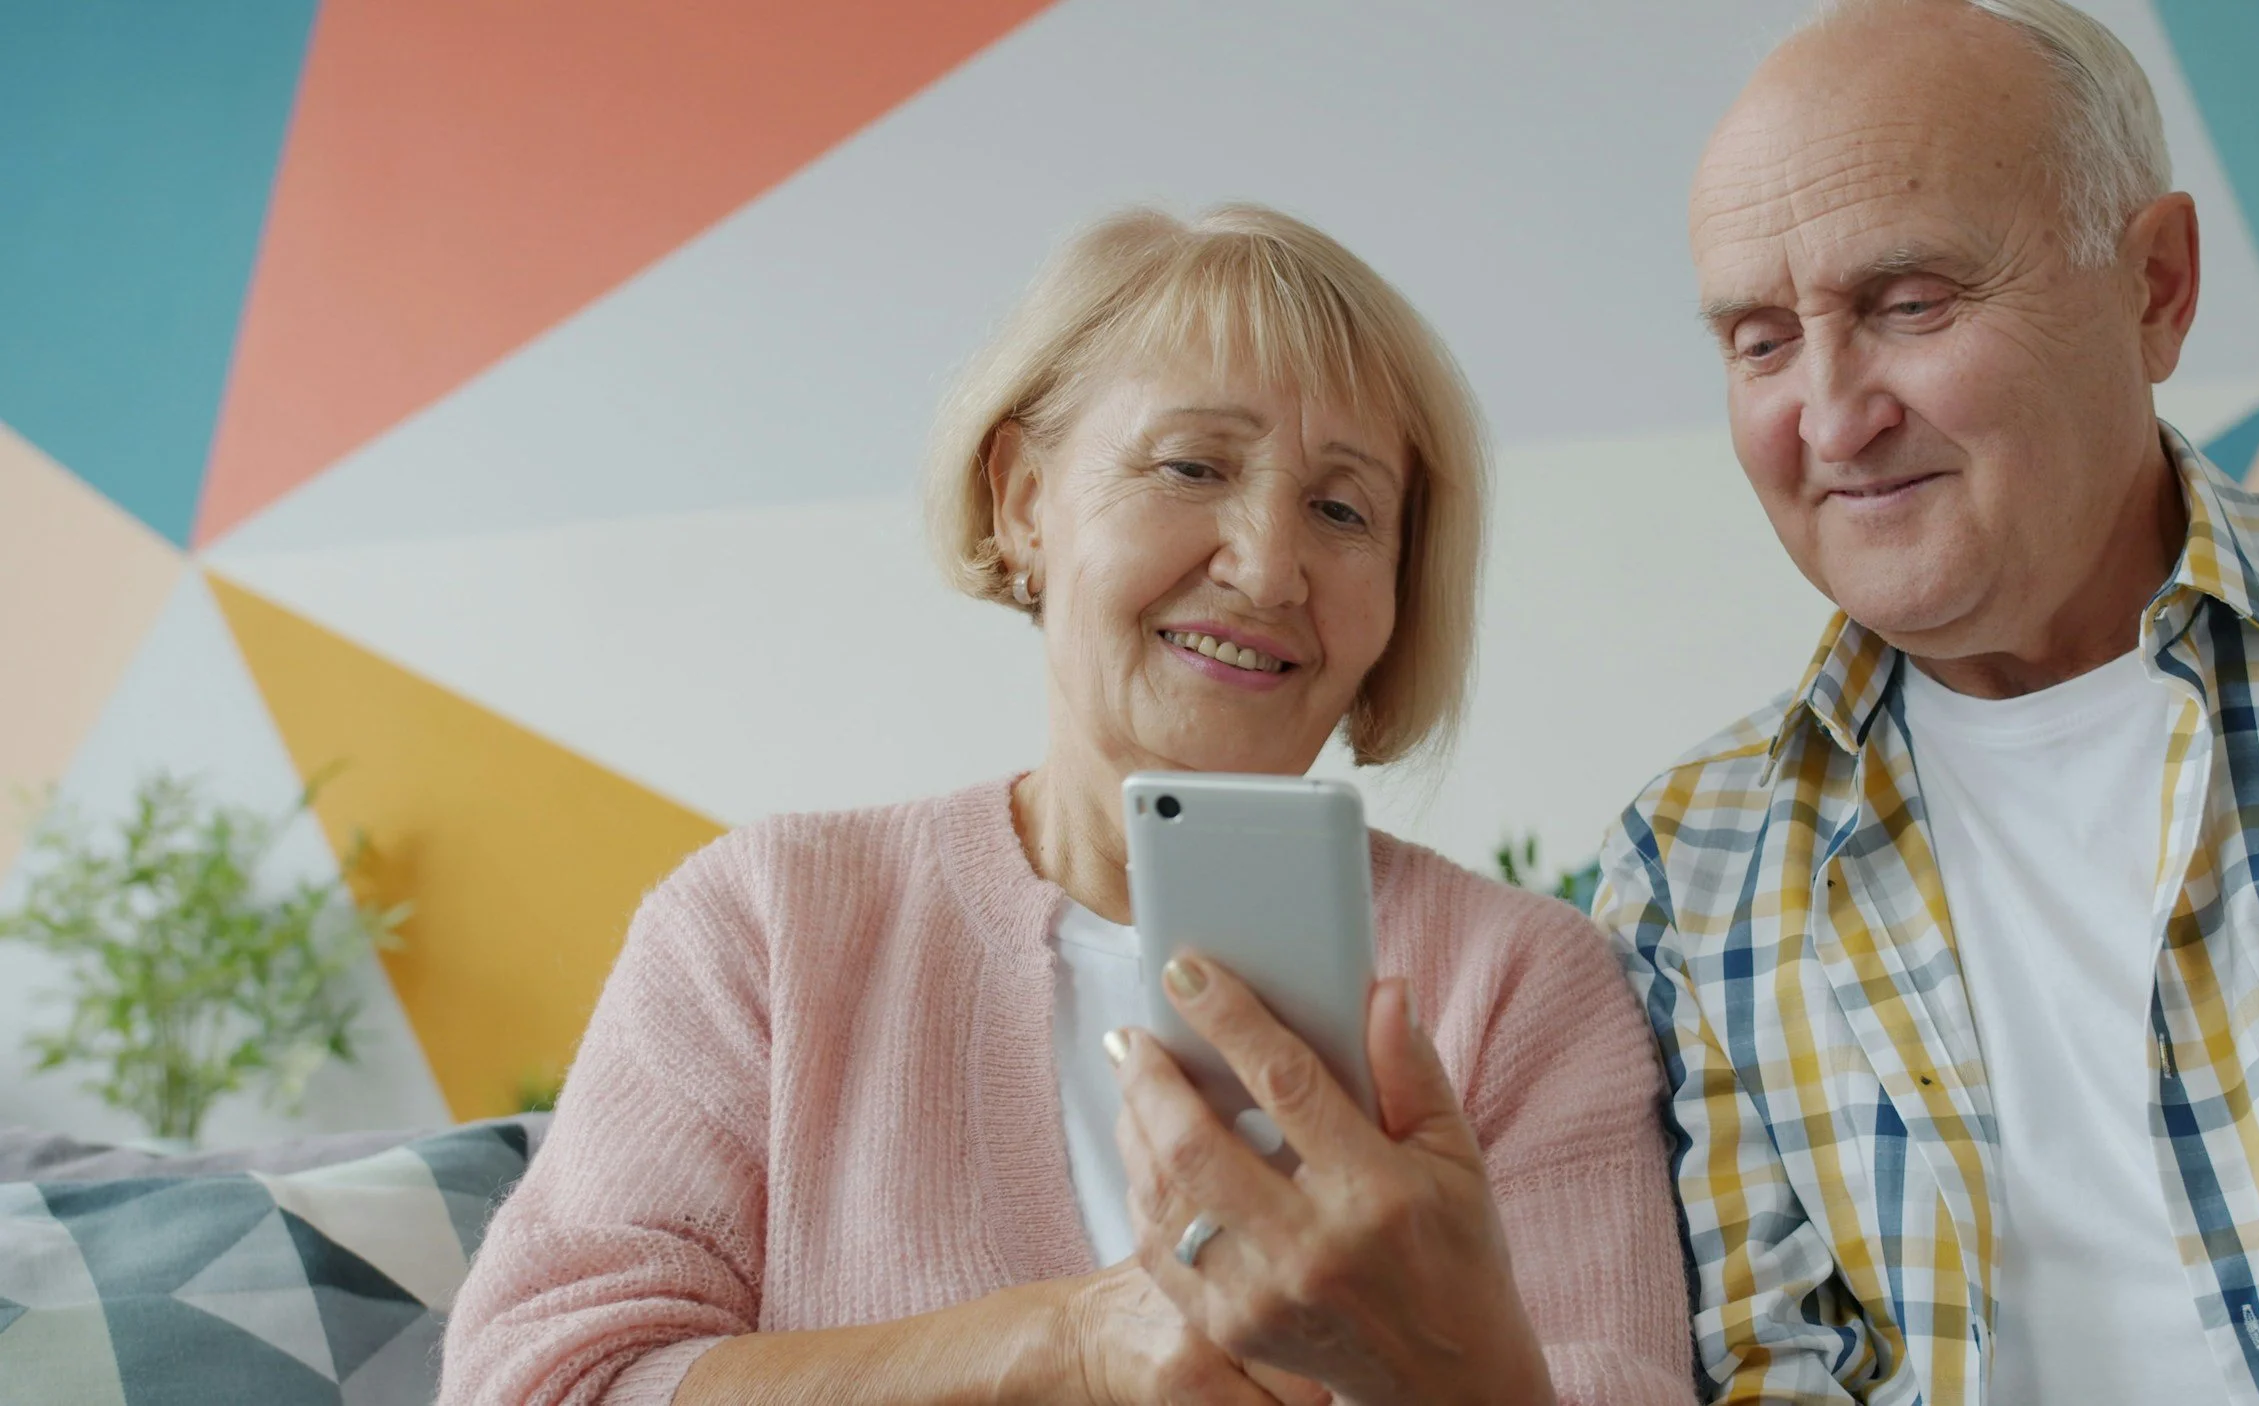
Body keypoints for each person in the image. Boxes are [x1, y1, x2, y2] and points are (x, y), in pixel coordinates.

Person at [445, 204, 1694, 1405]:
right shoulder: (768, 924)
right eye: (1193, 464)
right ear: (1022, 500)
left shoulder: (1522, 989)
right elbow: (541, 1381)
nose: (1266, 563)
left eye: (1341, 508)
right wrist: (1064, 1344)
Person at [1592, 1, 2259, 1403]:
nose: (1831, 420)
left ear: (2156, 289)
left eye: (1909, 303)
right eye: (1762, 341)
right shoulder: (1689, 874)